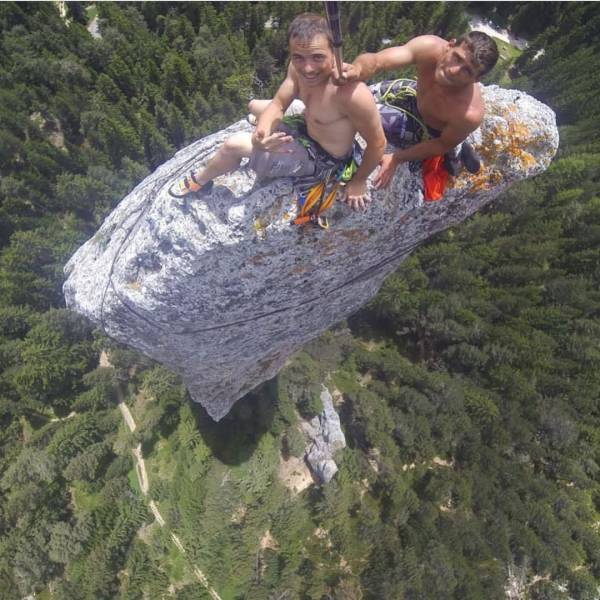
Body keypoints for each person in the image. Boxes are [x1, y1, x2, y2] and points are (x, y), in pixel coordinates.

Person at [171, 13, 386, 213]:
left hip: (323, 157)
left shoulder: (352, 94)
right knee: (254, 105)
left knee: (233, 145)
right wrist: (261, 135)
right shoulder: (297, 68)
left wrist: (358, 181)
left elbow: (377, 143)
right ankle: (263, 129)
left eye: (318, 57)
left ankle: (200, 181)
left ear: (334, 52)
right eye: (298, 57)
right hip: (309, 122)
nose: (307, 68)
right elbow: (279, 103)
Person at [337, 32, 499, 189]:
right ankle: (458, 142)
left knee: (361, 111)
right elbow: (378, 60)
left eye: (467, 71)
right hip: (415, 94)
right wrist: (357, 69)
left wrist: (396, 158)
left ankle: (456, 147)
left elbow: (441, 144)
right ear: (449, 45)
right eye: (457, 58)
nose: (453, 70)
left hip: (427, 128)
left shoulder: (468, 113)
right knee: (360, 95)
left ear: (476, 80)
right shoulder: (429, 47)